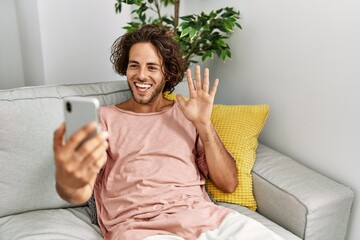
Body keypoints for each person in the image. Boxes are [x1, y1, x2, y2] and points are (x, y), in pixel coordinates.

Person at [53, 25, 283, 240]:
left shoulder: (188, 114)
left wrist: (204, 124)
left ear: (168, 74)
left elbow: (228, 184)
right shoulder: (104, 118)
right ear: (125, 68)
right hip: (140, 228)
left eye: (152, 67)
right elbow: (79, 189)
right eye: (134, 65)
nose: (141, 75)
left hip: (207, 220)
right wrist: (68, 176)